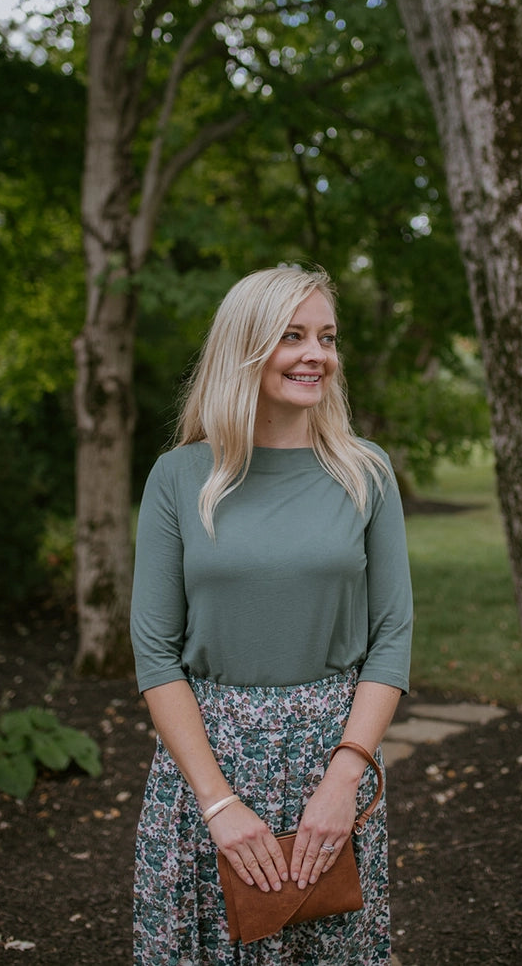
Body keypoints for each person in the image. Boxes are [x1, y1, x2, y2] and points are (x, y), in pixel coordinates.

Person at [130, 266, 413, 965]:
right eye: (292, 335)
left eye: (326, 336)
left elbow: (392, 635)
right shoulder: (179, 476)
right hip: (208, 769)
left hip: (333, 762)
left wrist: (345, 778)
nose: (316, 353)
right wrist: (219, 804)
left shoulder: (366, 472)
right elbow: (155, 652)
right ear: (245, 347)